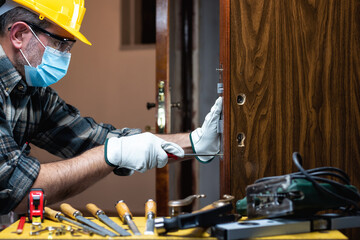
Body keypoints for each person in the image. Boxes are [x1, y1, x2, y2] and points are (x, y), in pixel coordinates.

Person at [0, 0, 223, 215]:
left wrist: (196, 142)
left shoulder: (32, 92)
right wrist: (113, 154)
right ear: (19, 34)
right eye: (60, 43)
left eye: (69, 45)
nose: (66, 55)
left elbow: (91, 138)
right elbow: (15, 190)